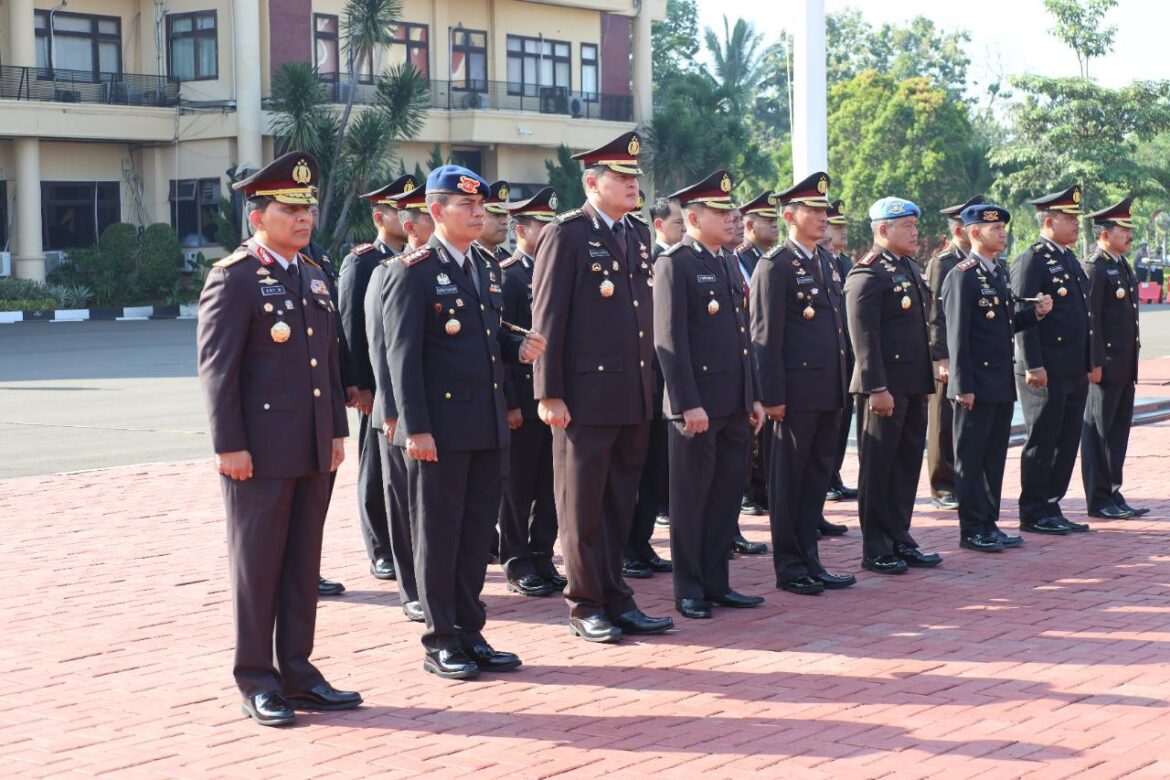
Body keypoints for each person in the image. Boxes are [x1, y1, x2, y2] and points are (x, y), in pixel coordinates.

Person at [196, 151, 362, 727]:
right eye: (289, 209)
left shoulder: (314, 274)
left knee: (300, 565)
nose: (303, 218)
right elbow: (218, 370)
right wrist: (229, 446)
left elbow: (330, 366)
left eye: (308, 208)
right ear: (256, 216)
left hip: (314, 447)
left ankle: (297, 670)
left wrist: (337, 432)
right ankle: (256, 677)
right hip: (259, 453)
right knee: (257, 567)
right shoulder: (234, 278)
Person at [382, 165, 547, 679]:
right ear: (435, 212)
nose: (479, 215)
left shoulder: (485, 266)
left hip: (486, 422)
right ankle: (440, 639)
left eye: (483, 208)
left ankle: (471, 630)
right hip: (441, 430)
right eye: (466, 206)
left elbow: (484, 332)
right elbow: (401, 357)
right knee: (439, 534)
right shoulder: (411, 270)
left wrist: (517, 345)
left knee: (477, 534)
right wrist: (416, 429)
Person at [531, 130, 675, 643]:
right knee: (582, 507)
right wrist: (549, 392)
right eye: (623, 177)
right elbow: (547, 317)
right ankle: (585, 602)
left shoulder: (635, 233)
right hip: (584, 399)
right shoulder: (567, 234)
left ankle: (617, 596)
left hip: (630, 395)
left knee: (620, 503)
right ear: (592, 182)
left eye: (636, 178)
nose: (634, 185)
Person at [654, 169, 766, 619]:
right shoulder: (675, 263)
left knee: (723, 498)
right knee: (692, 499)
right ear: (694, 217)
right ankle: (690, 589)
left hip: (733, 402)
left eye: (730, 210)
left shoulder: (725, 260)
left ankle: (718, 581)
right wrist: (686, 403)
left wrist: (752, 396)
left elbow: (742, 338)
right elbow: (670, 339)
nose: (731, 218)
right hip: (697, 406)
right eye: (721, 212)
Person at [753, 172, 856, 595]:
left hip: (828, 391)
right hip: (794, 396)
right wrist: (772, 396)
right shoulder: (774, 266)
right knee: (789, 481)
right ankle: (790, 565)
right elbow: (765, 337)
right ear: (790, 215)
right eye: (813, 211)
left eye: (824, 211)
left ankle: (810, 559)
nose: (822, 218)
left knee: (816, 479)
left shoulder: (827, 262)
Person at [943, 203, 1051, 552]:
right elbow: (957, 334)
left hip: (999, 383)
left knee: (993, 458)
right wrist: (961, 386)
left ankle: (989, 523)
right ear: (975, 233)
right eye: (995, 229)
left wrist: (1033, 313)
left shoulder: (998, 271)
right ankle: (972, 528)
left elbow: (1004, 324)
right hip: (974, 384)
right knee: (971, 459)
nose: (1003, 234)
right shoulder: (963, 274)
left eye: (1004, 228)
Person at [844, 197, 943, 575]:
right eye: (906, 226)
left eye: (915, 225)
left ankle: (900, 537)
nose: (915, 231)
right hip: (885, 389)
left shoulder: (908, 268)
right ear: (883, 230)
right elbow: (863, 338)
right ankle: (876, 547)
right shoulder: (868, 273)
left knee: (904, 467)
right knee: (879, 469)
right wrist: (876, 388)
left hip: (913, 385)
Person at [339, 175, 418, 583]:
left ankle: (405, 542)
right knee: (375, 470)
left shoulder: (416, 259)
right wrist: (358, 385)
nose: (406, 218)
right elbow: (351, 325)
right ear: (379, 216)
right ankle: (380, 548)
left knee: (402, 470)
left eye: (411, 210)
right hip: (375, 388)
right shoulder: (363, 259)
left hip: (404, 387)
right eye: (398, 210)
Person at [362, 183, 433, 623]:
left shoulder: (451, 269)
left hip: (435, 406)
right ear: (410, 225)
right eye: (427, 215)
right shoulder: (388, 271)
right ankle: (411, 588)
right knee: (404, 503)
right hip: (399, 414)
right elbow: (380, 347)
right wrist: (391, 413)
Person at [1011, 185, 1093, 535]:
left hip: (1072, 367)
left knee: (1066, 438)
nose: (1075, 224)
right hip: (1045, 368)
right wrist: (1033, 364)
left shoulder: (1069, 258)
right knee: (1043, 438)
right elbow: (1022, 314)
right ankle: (1033, 510)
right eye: (1068, 218)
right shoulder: (1032, 259)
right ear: (1048, 221)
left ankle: (1051, 504)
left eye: (1076, 218)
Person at [498, 187, 567, 597]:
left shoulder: (555, 270)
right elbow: (501, 345)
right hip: (523, 397)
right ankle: (517, 560)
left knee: (549, 483)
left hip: (554, 394)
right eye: (542, 225)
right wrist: (509, 402)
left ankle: (543, 555)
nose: (548, 232)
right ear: (521, 229)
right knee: (518, 486)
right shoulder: (508, 275)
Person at [1081, 197, 1148, 519]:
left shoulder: (1121, 264)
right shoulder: (1094, 266)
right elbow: (1090, 320)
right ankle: (1098, 498)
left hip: (1124, 365)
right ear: (1105, 234)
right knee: (1099, 433)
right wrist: (1092, 362)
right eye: (1124, 230)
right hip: (1104, 366)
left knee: (1118, 431)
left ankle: (1113, 491)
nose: (1129, 235)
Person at [925, 195, 985, 512]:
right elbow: (935, 313)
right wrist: (941, 357)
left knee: (965, 425)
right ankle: (942, 484)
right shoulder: (943, 262)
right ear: (960, 229)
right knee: (943, 423)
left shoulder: (981, 261)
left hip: (972, 355)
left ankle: (962, 482)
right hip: (947, 357)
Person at [734, 191, 780, 527]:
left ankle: (760, 487)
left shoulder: (766, 258)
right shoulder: (741, 257)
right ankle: (748, 491)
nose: (774, 226)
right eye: (769, 221)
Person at [819, 199, 857, 515]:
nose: (842, 230)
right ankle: (825, 479)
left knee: (842, 420)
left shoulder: (845, 263)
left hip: (847, 355)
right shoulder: (817, 260)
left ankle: (834, 474)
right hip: (823, 359)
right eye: (836, 225)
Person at [477, 180, 513, 263]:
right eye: (496, 215)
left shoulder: (509, 260)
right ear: (478, 215)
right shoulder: (467, 259)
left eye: (505, 215)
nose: (504, 221)